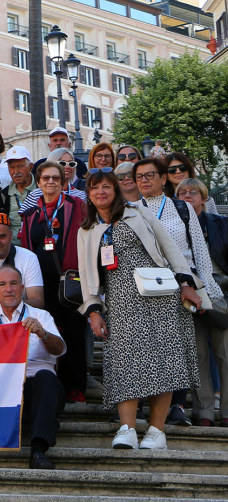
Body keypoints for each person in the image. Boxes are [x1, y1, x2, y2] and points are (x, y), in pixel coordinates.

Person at [79, 169, 201, 450]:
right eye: (95, 188)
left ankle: (157, 432)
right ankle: (127, 428)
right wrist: (93, 309)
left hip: (160, 293)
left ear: (117, 189)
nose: (101, 192)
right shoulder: (87, 229)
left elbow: (170, 247)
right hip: (121, 302)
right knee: (124, 361)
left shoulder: (138, 213)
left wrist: (185, 281)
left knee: (164, 360)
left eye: (107, 186)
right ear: (89, 194)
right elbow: (86, 275)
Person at [134, 155, 222, 425]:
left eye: (151, 175)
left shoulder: (181, 208)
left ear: (163, 179)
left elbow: (199, 252)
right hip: (146, 286)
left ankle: (176, 406)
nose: (144, 181)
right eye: (140, 177)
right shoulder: (129, 210)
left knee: (181, 347)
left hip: (180, 285)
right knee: (149, 347)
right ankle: (142, 402)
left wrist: (208, 289)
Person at [0, 266, 66, 470]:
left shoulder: (41, 315)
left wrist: (42, 333)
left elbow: (60, 349)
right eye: (2, 284)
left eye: (13, 283)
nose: (9, 289)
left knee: (46, 378)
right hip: (3, 390)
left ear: (22, 288)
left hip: (37, 389)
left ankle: (38, 451)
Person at [18, 161, 89, 401]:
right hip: (40, 283)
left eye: (56, 178)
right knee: (46, 331)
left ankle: (76, 387)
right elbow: (26, 248)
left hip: (70, 281)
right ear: (38, 183)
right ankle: (52, 384)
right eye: (46, 178)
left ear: (63, 182)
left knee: (72, 331)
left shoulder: (77, 205)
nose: (51, 182)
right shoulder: (29, 214)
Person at [176, 177, 228, 427]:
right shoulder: (173, 226)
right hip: (188, 293)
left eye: (193, 192)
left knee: (224, 353)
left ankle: (226, 410)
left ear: (204, 198)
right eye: (182, 192)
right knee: (198, 355)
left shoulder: (221, 223)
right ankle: (204, 411)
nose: (187, 196)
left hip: (220, 294)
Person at [21, 148, 87, 210]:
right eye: (62, 163)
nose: (68, 166)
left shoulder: (81, 196)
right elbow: (25, 220)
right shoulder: (36, 195)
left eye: (71, 164)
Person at [0, 146, 34, 238]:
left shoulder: (42, 188)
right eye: (12, 167)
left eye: (20, 166)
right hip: (14, 247)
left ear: (30, 167)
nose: (16, 171)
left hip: (37, 245)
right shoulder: (4, 194)